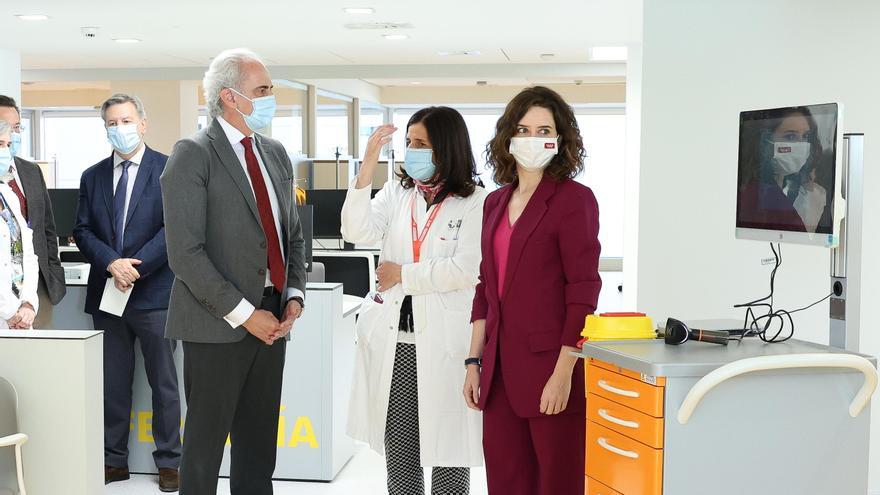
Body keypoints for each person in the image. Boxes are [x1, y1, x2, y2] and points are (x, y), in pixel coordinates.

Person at [161, 48, 307, 495]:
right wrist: (246, 314)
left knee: (259, 447)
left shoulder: (276, 153)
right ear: (229, 96)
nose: (270, 98)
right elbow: (185, 254)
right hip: (217, 324)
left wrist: (294, 295)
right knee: (204, 452)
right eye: (261, 90)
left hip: (274, 319)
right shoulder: (193, 154)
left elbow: (293, 237)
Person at [463, 86, 602, 495]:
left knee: (557, 484)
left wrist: (564, 374)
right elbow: (485, 288)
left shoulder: (574, 201)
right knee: (505, 483)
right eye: (523, 129)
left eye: (544, 129)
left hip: (550, 371)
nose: (532, 138)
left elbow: (583, 292)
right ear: (508, 138)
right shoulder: (495, 202)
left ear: (559, 140)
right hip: (499, 373)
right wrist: (473, 361)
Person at [343, 107, 487, 495]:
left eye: (420, 143)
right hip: (397, 343)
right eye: (408, 142)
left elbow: (466, 269)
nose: (412, 150)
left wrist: (401, 275)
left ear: (446, 147)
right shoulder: (396, 193)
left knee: (448, 455)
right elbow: (355, 230)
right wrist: (367, 167)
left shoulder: (475, 202)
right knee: (401, 454)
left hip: (445, 343)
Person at [72, 94, 181, 491]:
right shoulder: (93, 175)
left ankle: (170, 463)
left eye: (126, 120)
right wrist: (111, 264)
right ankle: (113, 461)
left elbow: (174, 230)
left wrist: (134, 268)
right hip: (108, 297)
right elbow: (81, 230)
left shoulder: (170, 170)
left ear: (143, 123)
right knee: (112, 384)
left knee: (164, 385)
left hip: (155, 296)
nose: (120, 128)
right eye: (112, 123)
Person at [0, 95, 66, 328]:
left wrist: (53, 272)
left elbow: (46, 227)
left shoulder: (30, 171)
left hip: (36, 286)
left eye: (17, 127)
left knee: (38, 356)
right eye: (6, 128)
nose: (12, 134)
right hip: (3, 291)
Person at [737, 106, 831, 233]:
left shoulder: (791, 190)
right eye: (790, 137)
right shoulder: (760, 195)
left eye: (806, 137)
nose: (801, 145)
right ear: (765, 141)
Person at [0, 120, 39, 330]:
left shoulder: (8, 194)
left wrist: (28, 303)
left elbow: (27, 255)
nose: (5, 151)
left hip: (20, 315)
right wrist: (8, 311)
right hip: (7, 314)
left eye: (7, 145)